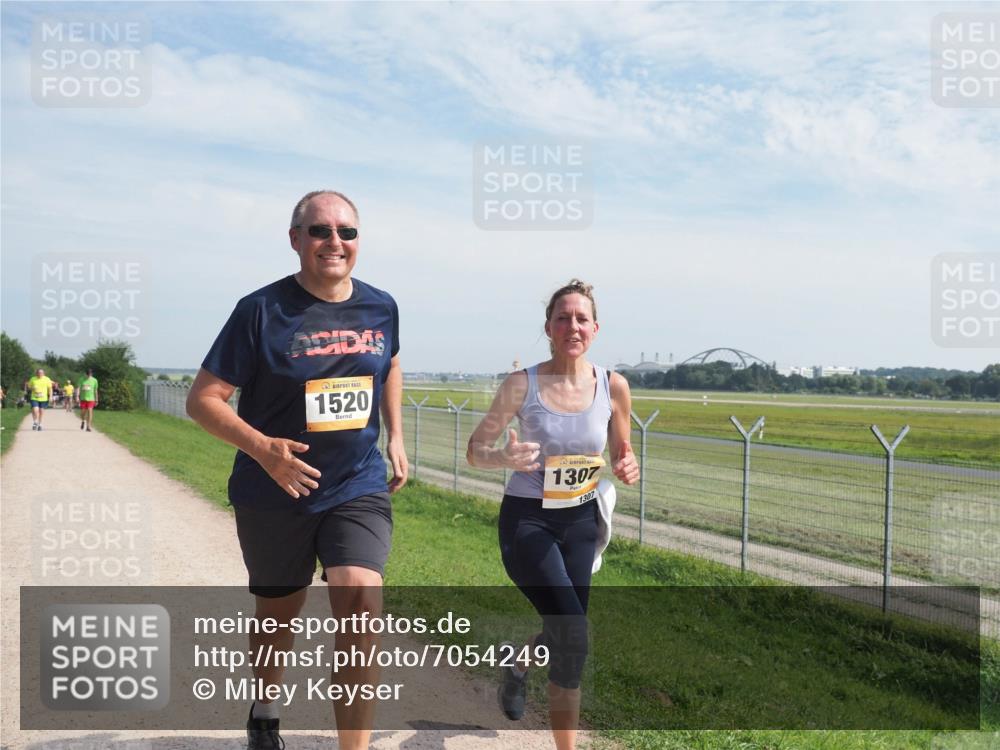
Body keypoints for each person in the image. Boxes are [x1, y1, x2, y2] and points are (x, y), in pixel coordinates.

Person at [186, 190, 407, 750]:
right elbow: (204, 399)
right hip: (272, 490)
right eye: (320, 231)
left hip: (356, 483)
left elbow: (393, 360)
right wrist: (263, 449)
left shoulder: (382, 306)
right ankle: (264, 708)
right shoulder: (260, 310)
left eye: (347, 232)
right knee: (277, 615)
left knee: (361, 604)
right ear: (295, 240)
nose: (335, 241)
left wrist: (397, 434)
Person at [467, 279, 639, 750]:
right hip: (528, 521)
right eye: (563, 317)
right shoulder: (522, 384)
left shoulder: (613, 386)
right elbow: (475, 450)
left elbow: (624, 451)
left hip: (582, 522)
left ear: (596, 328)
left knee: (564, 626)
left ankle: (517, 664)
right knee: (572, 633)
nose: (572, 326)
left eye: (581, 318)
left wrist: (628, 464)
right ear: (548, 327)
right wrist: (503, 458)